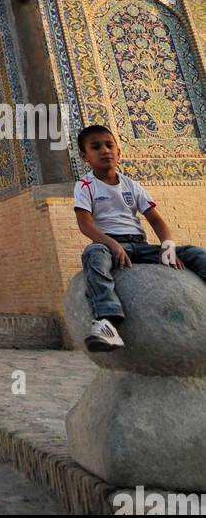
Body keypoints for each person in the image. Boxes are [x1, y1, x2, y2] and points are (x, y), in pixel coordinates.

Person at [73, 123, 206, 350]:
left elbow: (155, 219)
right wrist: (111, 244)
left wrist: (167, 246)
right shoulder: (85, 185)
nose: (105, 151)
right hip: (109, 244)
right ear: (84, 156)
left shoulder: (130, 185)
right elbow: (85, 224)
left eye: (109, 145)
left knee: (195, 253)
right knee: (93, 255)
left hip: (139, 245)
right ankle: (107, 321)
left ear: (119, 151)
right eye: (96, 147)